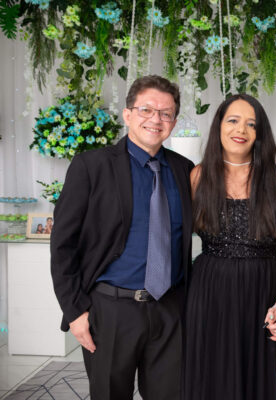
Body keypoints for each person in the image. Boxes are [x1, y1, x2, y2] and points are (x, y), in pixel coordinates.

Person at [51, 75, 195, 399]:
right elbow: (62, 245)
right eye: (147, 110)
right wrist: (75, 312)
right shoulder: (91, 166)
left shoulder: (185, 170)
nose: (156, 119)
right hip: (110, 311)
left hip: (170, 310)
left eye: (166, 113)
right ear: (127, 114)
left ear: (173, 122)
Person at [183, 94, 276, 400]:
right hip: (210, 290)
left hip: (265, 289)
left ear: (260, 133)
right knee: (214, 376)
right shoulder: (198, 176)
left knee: (270, 376)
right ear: (219, 126)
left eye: (252, 124)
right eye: (233, 121)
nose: (242, 130)